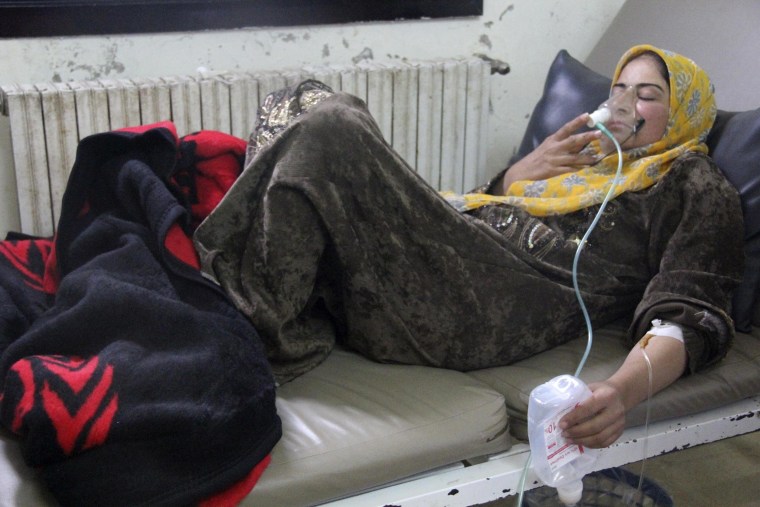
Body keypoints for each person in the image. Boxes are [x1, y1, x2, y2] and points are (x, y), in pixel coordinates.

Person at [193, 45, 744, 449]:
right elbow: (479, 214)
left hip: (490, 305)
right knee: (297, 100)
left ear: (685, 113)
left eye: (647, 96)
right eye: (618, 90)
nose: (623, 104)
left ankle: (251, 328)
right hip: (455, 259)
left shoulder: (693, 181)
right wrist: (515, 179)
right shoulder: (585, 163)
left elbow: (688, 316)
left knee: (334, 126)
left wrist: (620, 393)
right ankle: (269, 298)